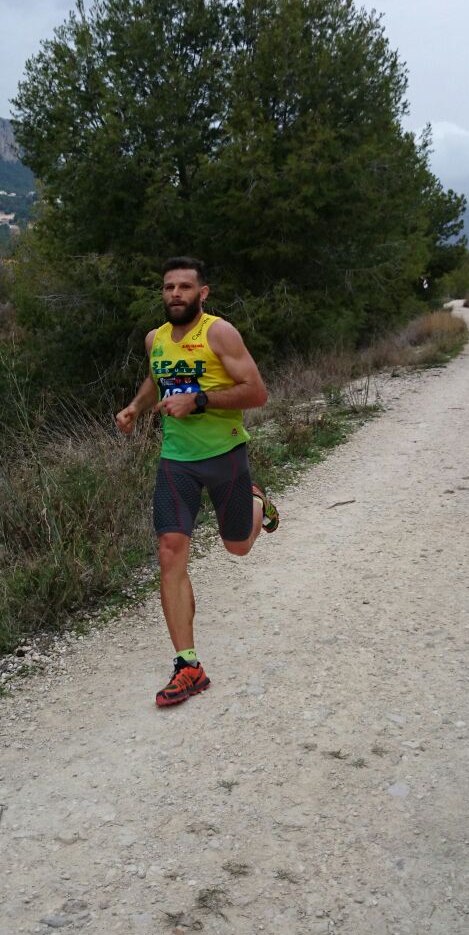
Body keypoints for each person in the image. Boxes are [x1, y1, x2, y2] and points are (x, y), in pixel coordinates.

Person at [116, 256, 279, 707]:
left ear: (202, 293)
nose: (175, 295)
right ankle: (188, 665)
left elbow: (257, 392)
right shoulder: (156, 339)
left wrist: (200, 400)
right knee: (170, 551)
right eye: (169, 287)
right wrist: (135, 407)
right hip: (176, 461)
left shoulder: (219, 333)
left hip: (225, 454)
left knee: (238, 546)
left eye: (185, 287)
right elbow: (157, 380)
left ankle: (257, 502)